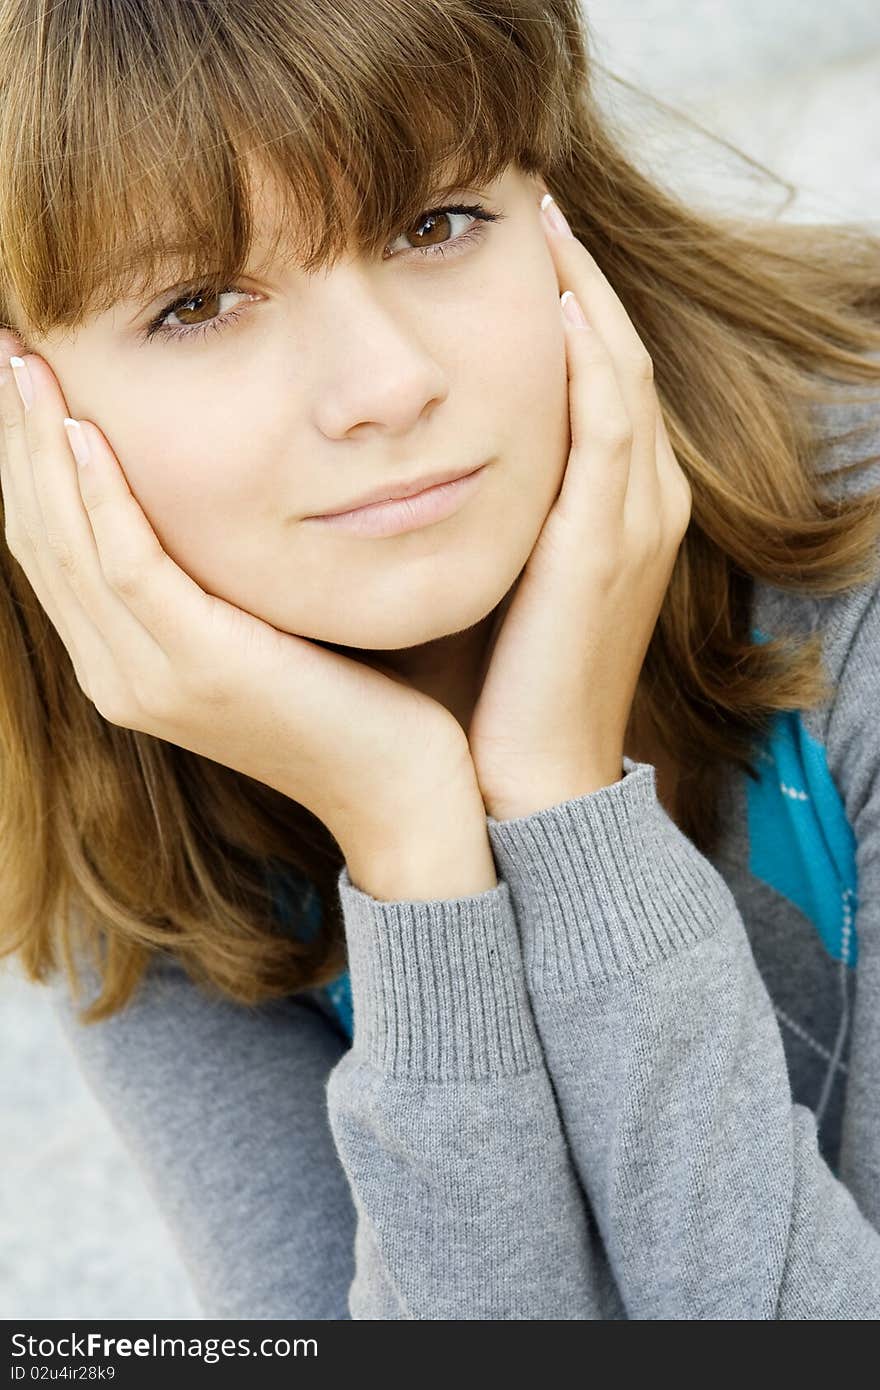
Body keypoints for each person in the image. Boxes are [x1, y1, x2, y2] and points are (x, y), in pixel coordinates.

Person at [2, 0, 880, 1320]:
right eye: (198, 304)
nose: (385, 385)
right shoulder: (136, 780)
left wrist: (567, 809)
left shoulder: (852, 554)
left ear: (554, 205)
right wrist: (411, 845)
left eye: (434, 222)